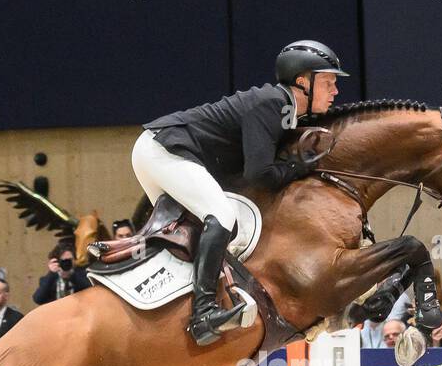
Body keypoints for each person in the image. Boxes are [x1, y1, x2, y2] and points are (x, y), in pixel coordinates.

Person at [135, 40, 402, 346]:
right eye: (328, 82)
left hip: (160, 150)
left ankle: (175, 311)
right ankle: (204, 314)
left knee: (196, 234)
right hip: (164, 149)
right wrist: (298, 168)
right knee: (222, 216)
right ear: (303, 82)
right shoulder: (272, 103)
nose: (335, 91)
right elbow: (259, 175)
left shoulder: (286, 111)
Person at [33, 240, 91, 304]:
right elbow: (38, 299)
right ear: (57, 262)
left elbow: (91, 292)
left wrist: (72, 276)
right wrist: (51, 274)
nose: (66, 263)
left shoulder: (82, 276)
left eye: (69, 260)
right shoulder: (49, 279)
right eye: (63, 261)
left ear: (74, 260)